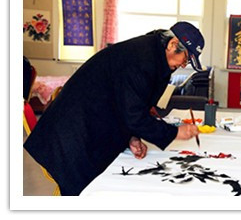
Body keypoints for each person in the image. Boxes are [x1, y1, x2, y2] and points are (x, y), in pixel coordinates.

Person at [24, 23, 204, 195]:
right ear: (172, 45)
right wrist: (174, 133)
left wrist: (132, 137)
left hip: (91, 125)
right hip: (73, 134)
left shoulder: (154, 54)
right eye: (186, 58)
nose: (183, 65)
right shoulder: (143, 58)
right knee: (84, 193)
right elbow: (134, 115)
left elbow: (128, 103)